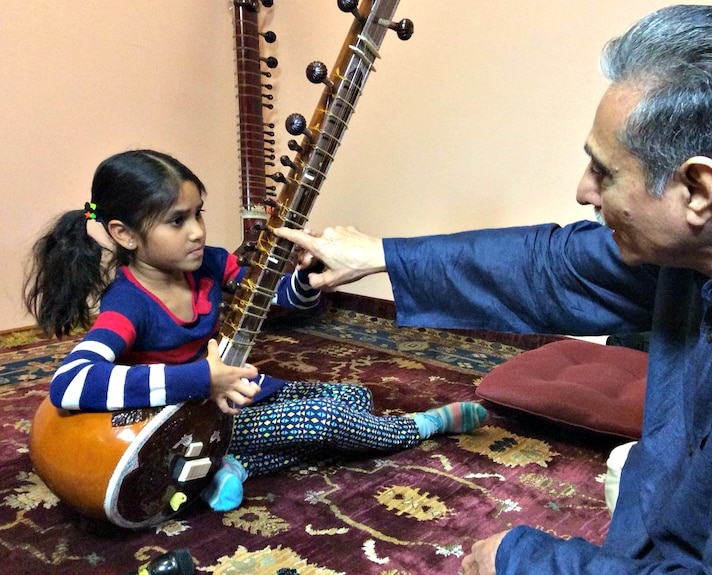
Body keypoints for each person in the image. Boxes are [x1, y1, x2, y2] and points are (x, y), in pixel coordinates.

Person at [275, 5, 712, 574]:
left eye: (605, 171)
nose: (584, 191)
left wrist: (522, 560)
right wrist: (380, 254)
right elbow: (552, 267)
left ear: (699, 188)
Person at [24, 149, 488, 513]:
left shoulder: (209, 264)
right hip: (187, 421)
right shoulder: (128, 303)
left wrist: (308, 279)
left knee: (353, 397)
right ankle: (422, 425)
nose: (197, 232)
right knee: (327, 421)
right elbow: (72, 382)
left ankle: (224, 469)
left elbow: (271, 297)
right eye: (176, 221)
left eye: (198, 213)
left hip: (235, 396)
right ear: (125, 235)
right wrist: (203, 378)